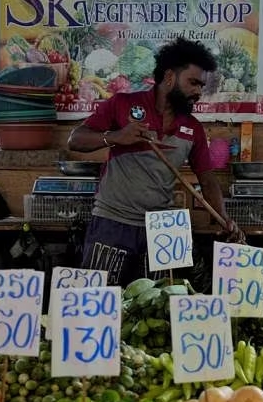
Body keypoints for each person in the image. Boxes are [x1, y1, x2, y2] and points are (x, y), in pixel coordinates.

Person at [68, 37, 244, 287]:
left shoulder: (192, 127)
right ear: (170, 77)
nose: (198, 91)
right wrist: (116, 137)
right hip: (112, 222)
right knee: (99, 304)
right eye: (193, 82)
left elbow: (207, 179)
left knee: (157, 310)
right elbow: (75, 140)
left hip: (163, 229)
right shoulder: (123, 104)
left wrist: (224, 218)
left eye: (201, 85)